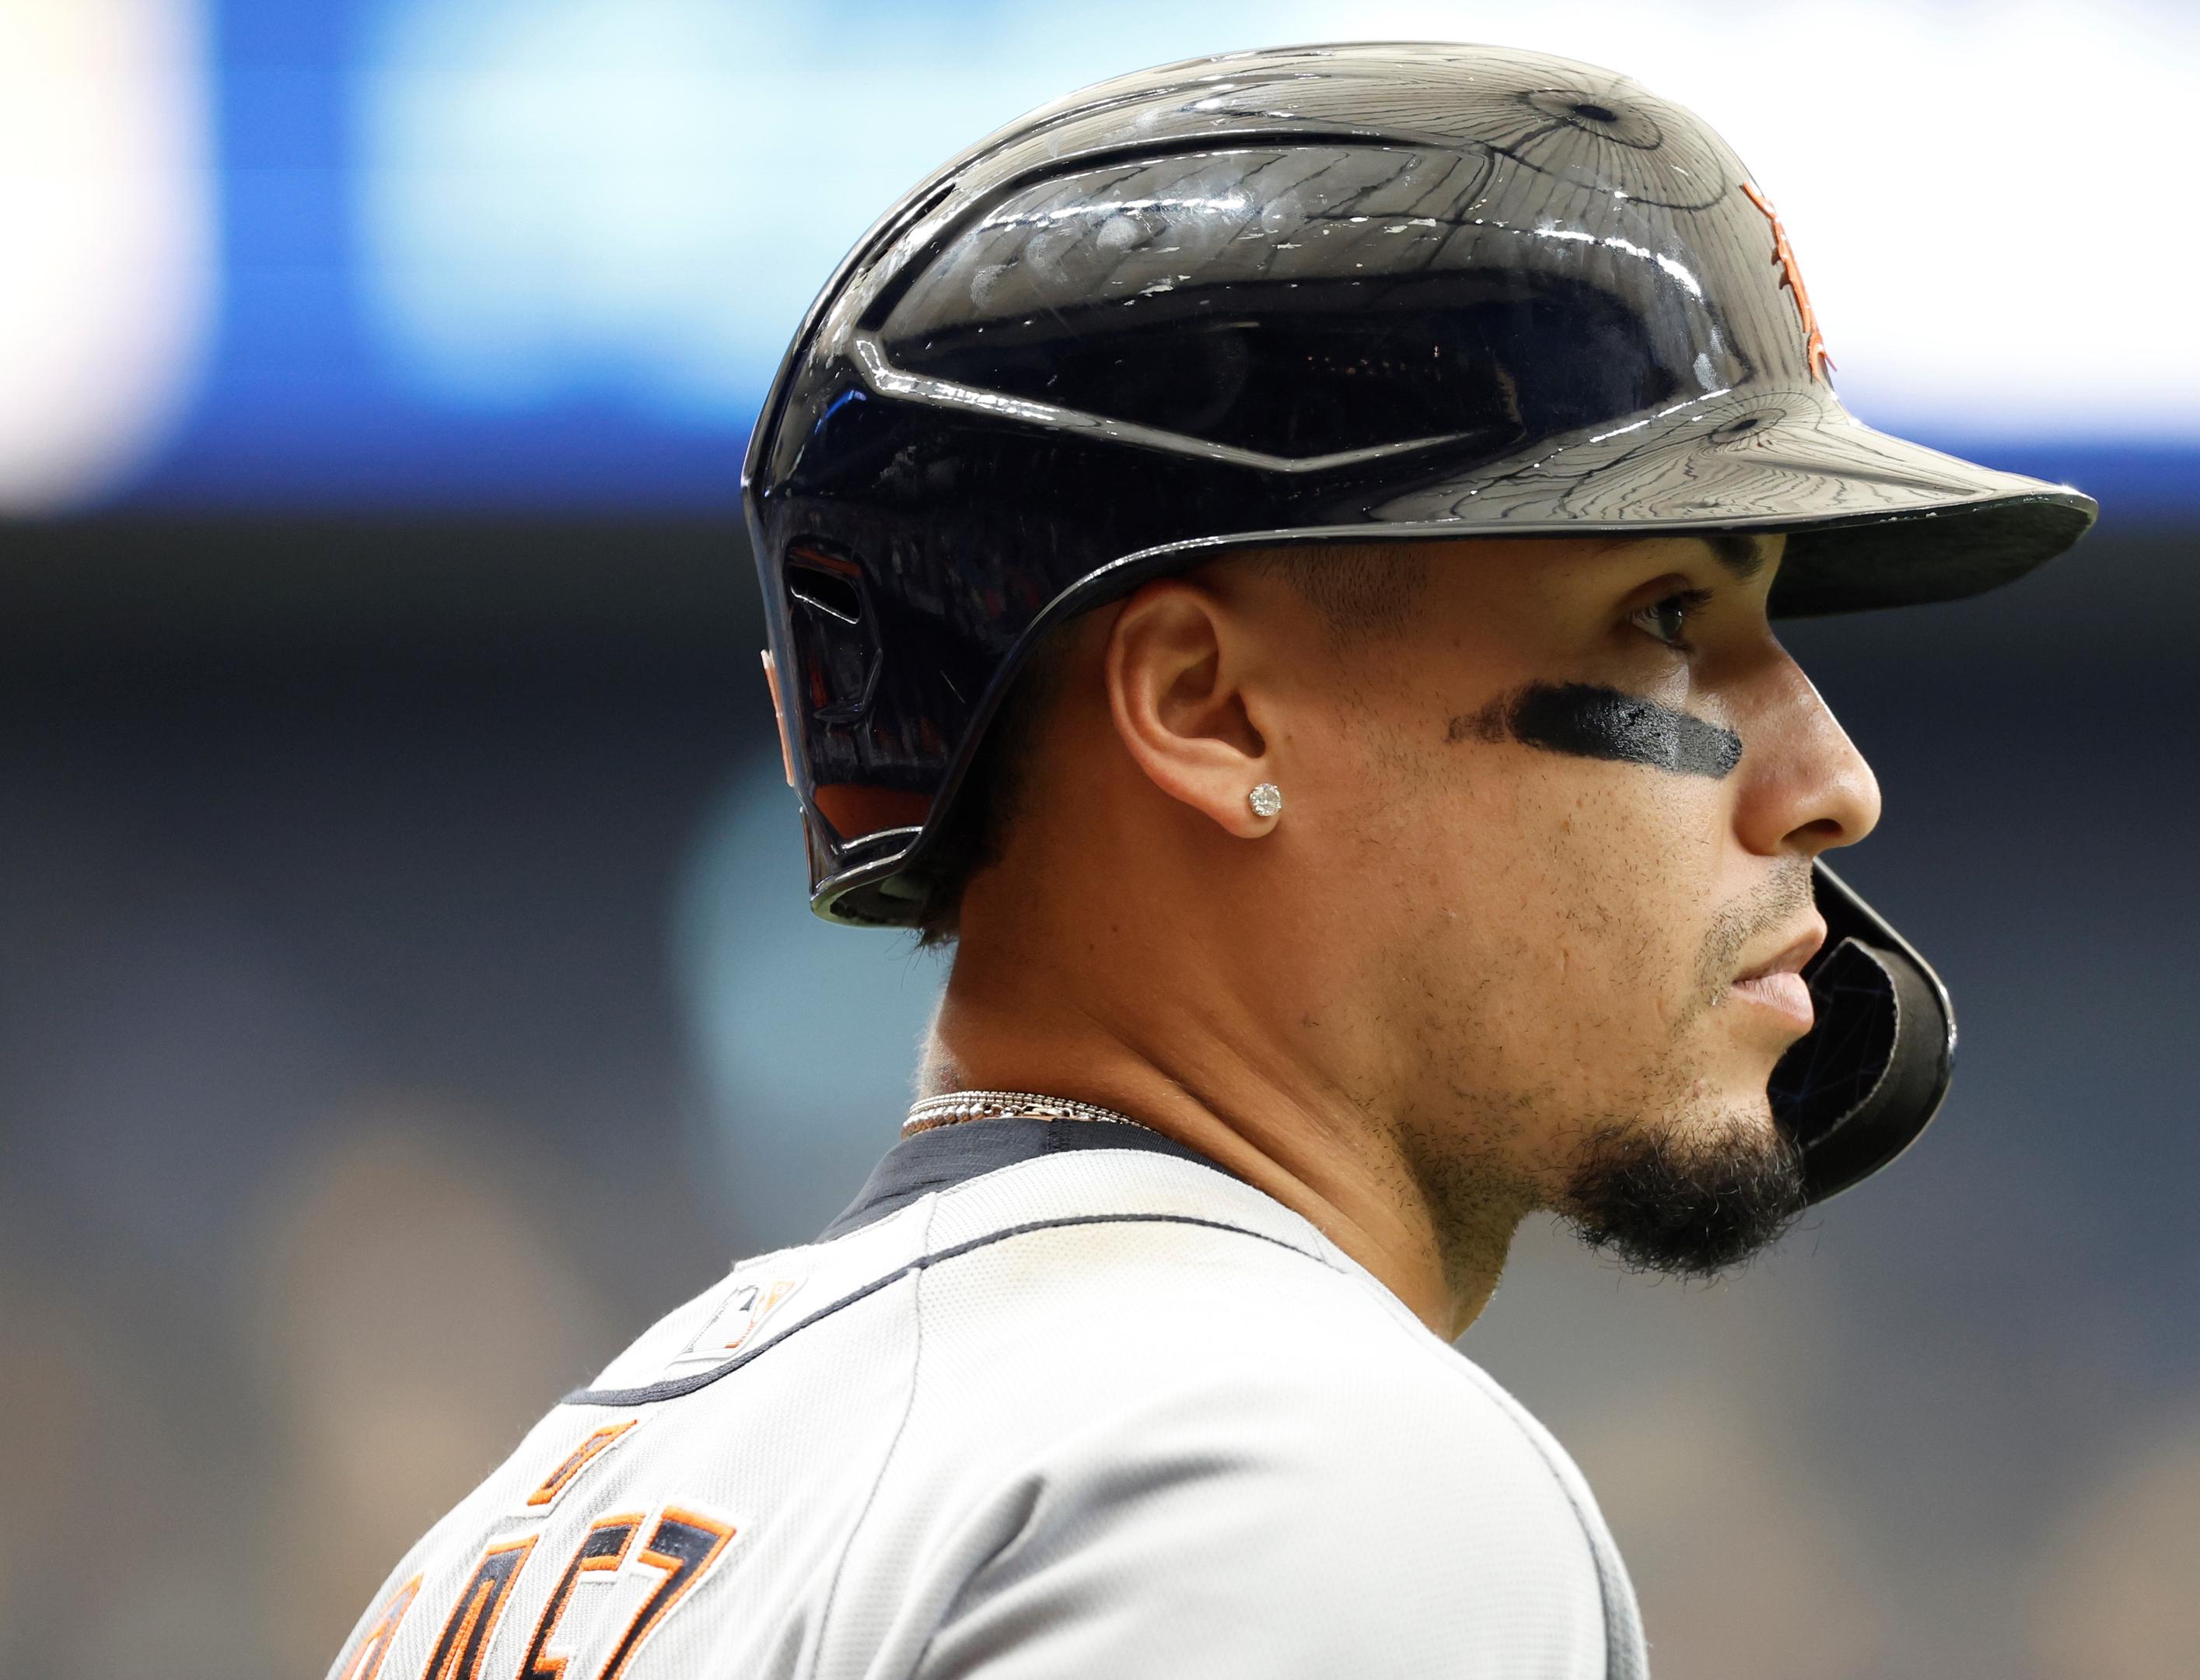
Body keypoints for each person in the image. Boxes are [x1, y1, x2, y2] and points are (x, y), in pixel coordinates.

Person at [327, 42, 2092, 1680]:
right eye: (1662, 615)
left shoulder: (521, 1526)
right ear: (1210, 712)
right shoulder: (1289, 1461)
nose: (1831, 780)